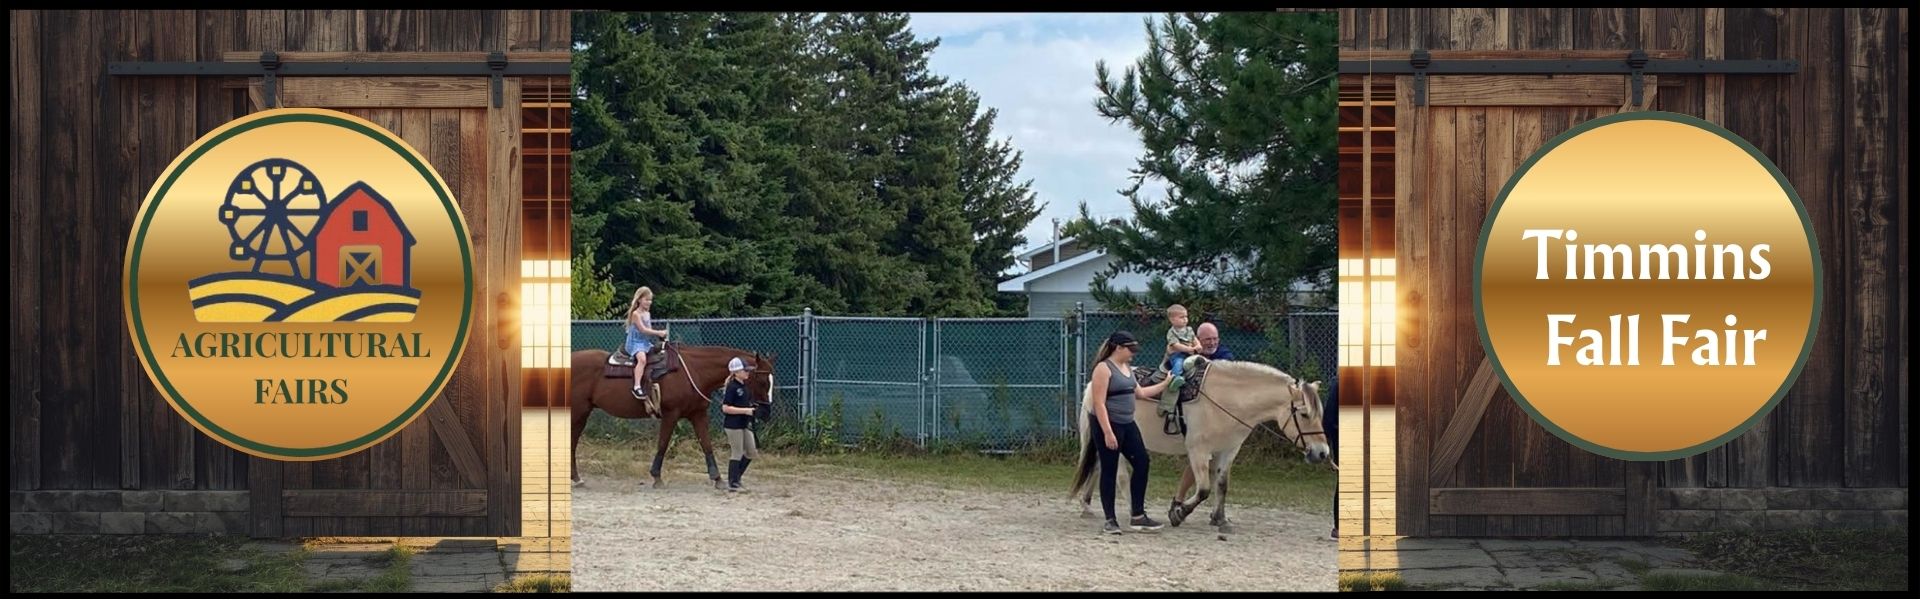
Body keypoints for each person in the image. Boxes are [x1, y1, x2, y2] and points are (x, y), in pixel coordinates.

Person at [1088, 330, 1175, 535]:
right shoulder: (1103, 369)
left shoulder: (1126, 368)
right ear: (1118, 348)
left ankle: (1138, 515)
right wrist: (1108, 432)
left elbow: (1140, 393)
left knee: (1142, 462)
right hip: (1109, 423)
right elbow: (1099, 403)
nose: (1133, 354)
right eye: (1130, 349)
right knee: (1109, 469)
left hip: (1127, 422)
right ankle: (1110, 519)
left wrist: (1165, 384)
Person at [1171, 321, 1234, 506]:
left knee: (1216, 462)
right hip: (1196, 416)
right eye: (1207, 339)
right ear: (1198, 339)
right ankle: (1179, 499)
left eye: (1215, 339)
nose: (1212, 343)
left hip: (1218, 417)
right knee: (1201, 458)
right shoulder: (1189, 351)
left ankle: (1217, 508)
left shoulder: (1224, 354)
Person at [622, 287, 670, 401]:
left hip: (645, 342)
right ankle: (637, 386)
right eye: (646, 300)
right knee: (642, 359)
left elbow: (649, 329)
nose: (649, 302)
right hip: (635, 343)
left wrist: (659, 336)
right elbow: (643, 330)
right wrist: (659, 332)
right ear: (639, 300)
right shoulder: (636, 314)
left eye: (650, 300)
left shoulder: (647, 313)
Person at [720, 356, 759, 493]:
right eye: (745, 370)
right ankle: (733, 482)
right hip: (733, 424)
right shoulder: (732, 387)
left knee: (751, 451)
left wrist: (752, 409)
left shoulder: (744, 387)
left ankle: (737, 477)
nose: (747, 372)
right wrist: (745, 411)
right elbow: (725, 408)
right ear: (736, 372)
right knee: (737, 452)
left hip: (744, 423)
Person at [1159, 304, 1199, 415]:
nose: (1185, 319)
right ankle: (1174, 379)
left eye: (1186, 317)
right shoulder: (1171, 332)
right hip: (1178, 354)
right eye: (1182, 317)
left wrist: (1198, 346)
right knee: (1178, 364)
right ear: (1172, 319)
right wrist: (1189, 349)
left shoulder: (1189, 330)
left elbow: (1194, 339)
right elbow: (1176, 346)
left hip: (1190, 354)